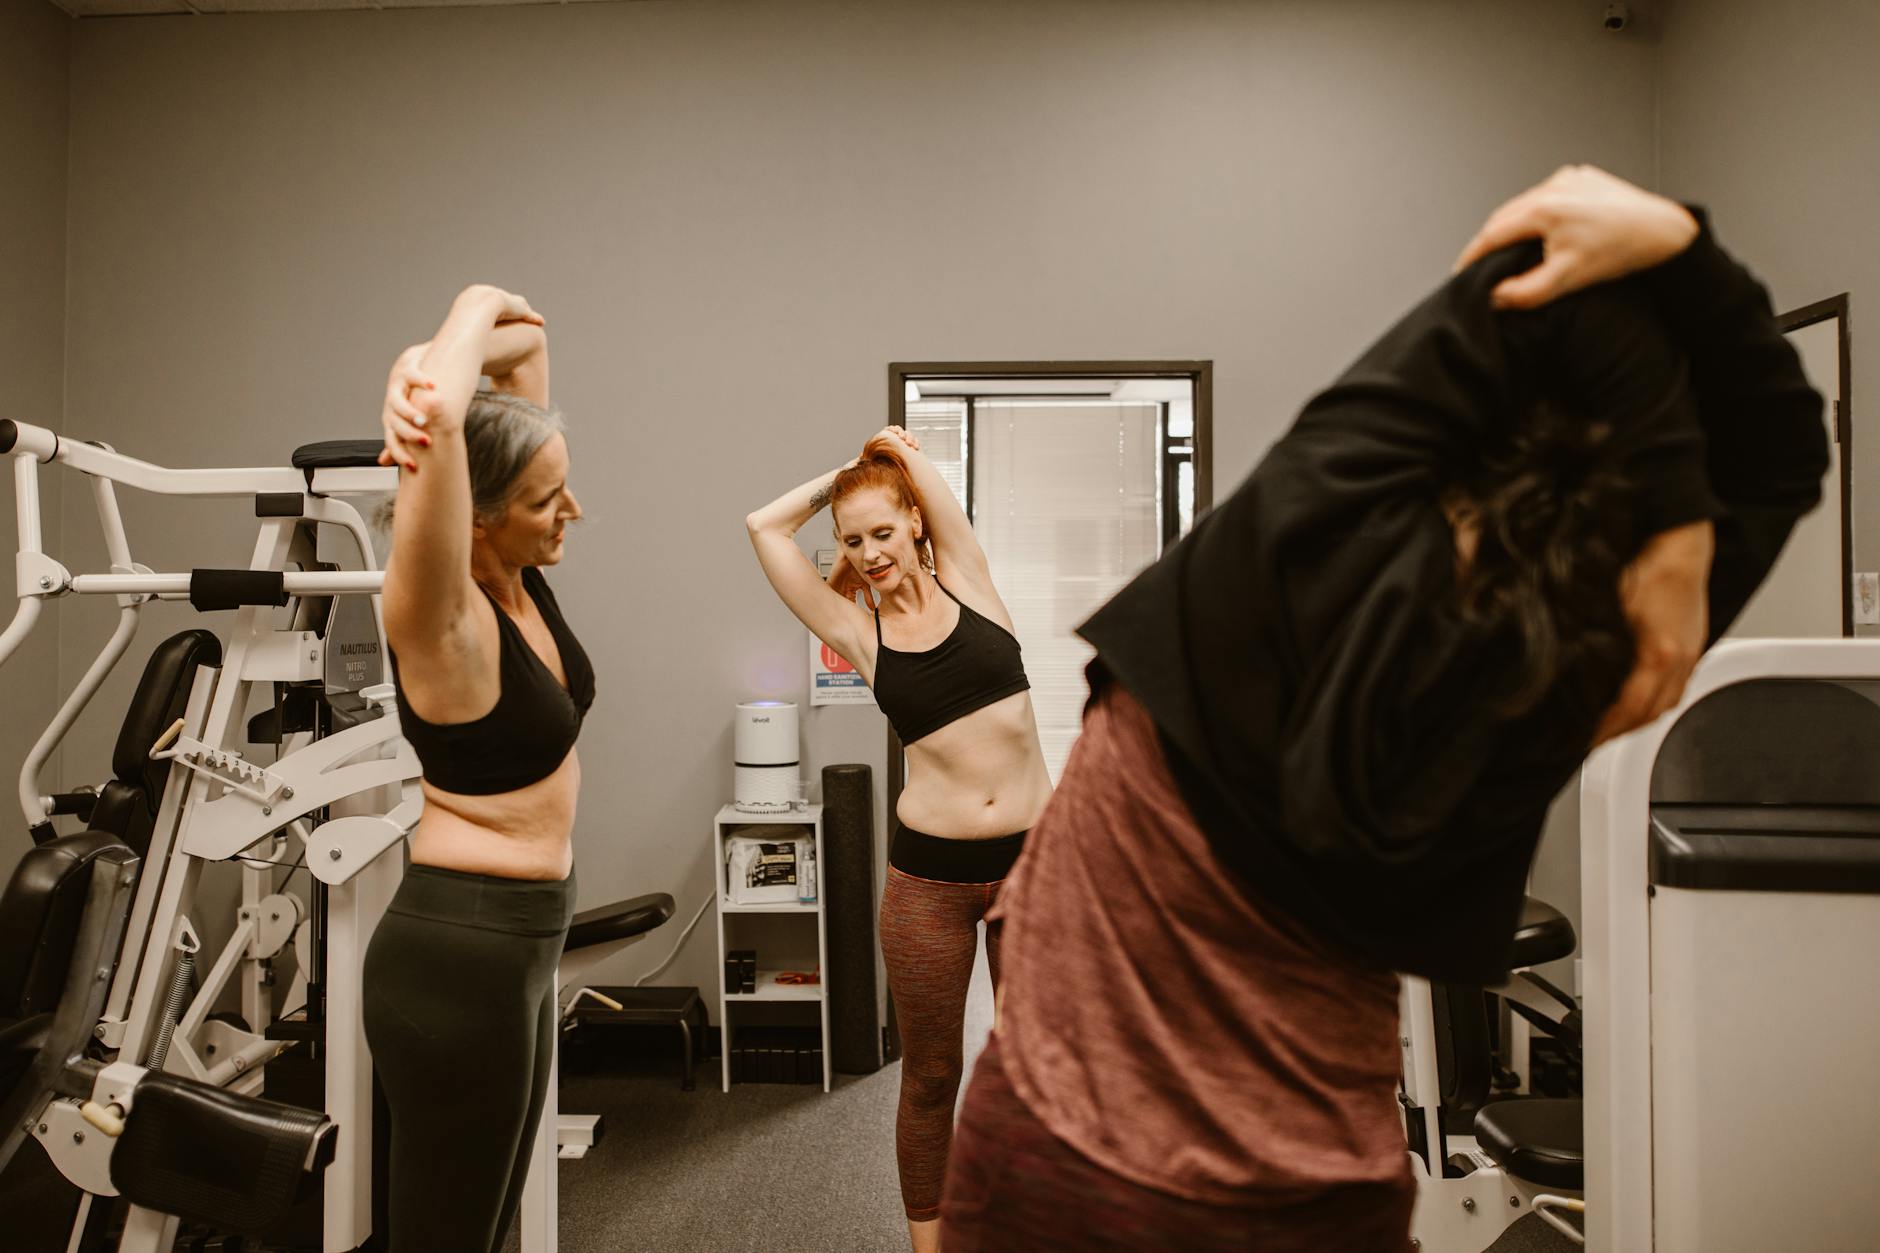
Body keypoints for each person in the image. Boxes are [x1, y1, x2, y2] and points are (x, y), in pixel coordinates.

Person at [938, 167, 1828, 1251]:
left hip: (1050, 1160)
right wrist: (1683, 526)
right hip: (1310, 1202)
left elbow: (1529, 270)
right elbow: (1786, 446)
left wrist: (1672, 252)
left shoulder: (1278, 549)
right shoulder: (1612, 660)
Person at [746, 428, 1053, 1251]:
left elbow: (914, 467)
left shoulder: (974, 583)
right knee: (932, 1077)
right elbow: (762, 528)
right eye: (853, 540)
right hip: (930, 884)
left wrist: (882, 456)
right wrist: (841, 482)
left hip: (1035, 868)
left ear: (916, 522)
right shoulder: (860, 633)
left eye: (883, 530)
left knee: (1040, 1074)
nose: (870, 551)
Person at [362, 284, 592, 1252]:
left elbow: (524, 348)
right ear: (481, 514)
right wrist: (466, 307)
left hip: (524, 946)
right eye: (546, 500)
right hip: (460, 956)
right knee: (443, 1235)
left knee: (485, 1224)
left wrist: (422, 354)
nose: (572, 510)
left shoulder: (517, 575)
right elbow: (450, 413)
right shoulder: (439, 613)